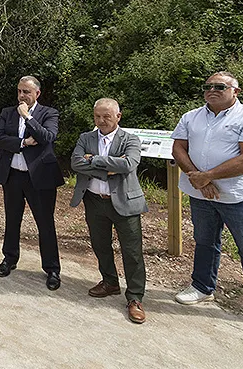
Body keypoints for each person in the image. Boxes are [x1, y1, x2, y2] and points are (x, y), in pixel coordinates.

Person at [171, 71, 243, 337]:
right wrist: (199, 179)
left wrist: (208, 176)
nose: (212, 90)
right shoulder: (191, 117)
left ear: (236, 91)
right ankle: (202, 287)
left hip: (240, 197)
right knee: (205, 241)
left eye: (220, 86)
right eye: (208, 86)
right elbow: (178, 149)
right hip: (201, 195)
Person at [70, 98, 148, 324]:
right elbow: (76, 163)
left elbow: (128, 165)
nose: (101, 121)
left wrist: (93, 160)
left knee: (132, 252)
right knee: (100, 245)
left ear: (118, 116)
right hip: (94, 202)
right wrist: (109, 168)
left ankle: (135, 298)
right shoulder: (86, 137)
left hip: (124, 202)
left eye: (107, 116)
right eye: (97, 117)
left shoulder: (130, 139)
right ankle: (110, 282)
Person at [0, 75, 64, 289]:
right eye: (19, 91)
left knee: (45, 223)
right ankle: (10, 258)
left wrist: (27, 117)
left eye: (27, 92)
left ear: (37, 94)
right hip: (13, 175)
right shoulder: (7, 113)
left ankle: (52, 269)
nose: (22, 96)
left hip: (39, 178)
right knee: (12, 219)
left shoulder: (49, 113)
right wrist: (23, 142)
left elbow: (47, 137)